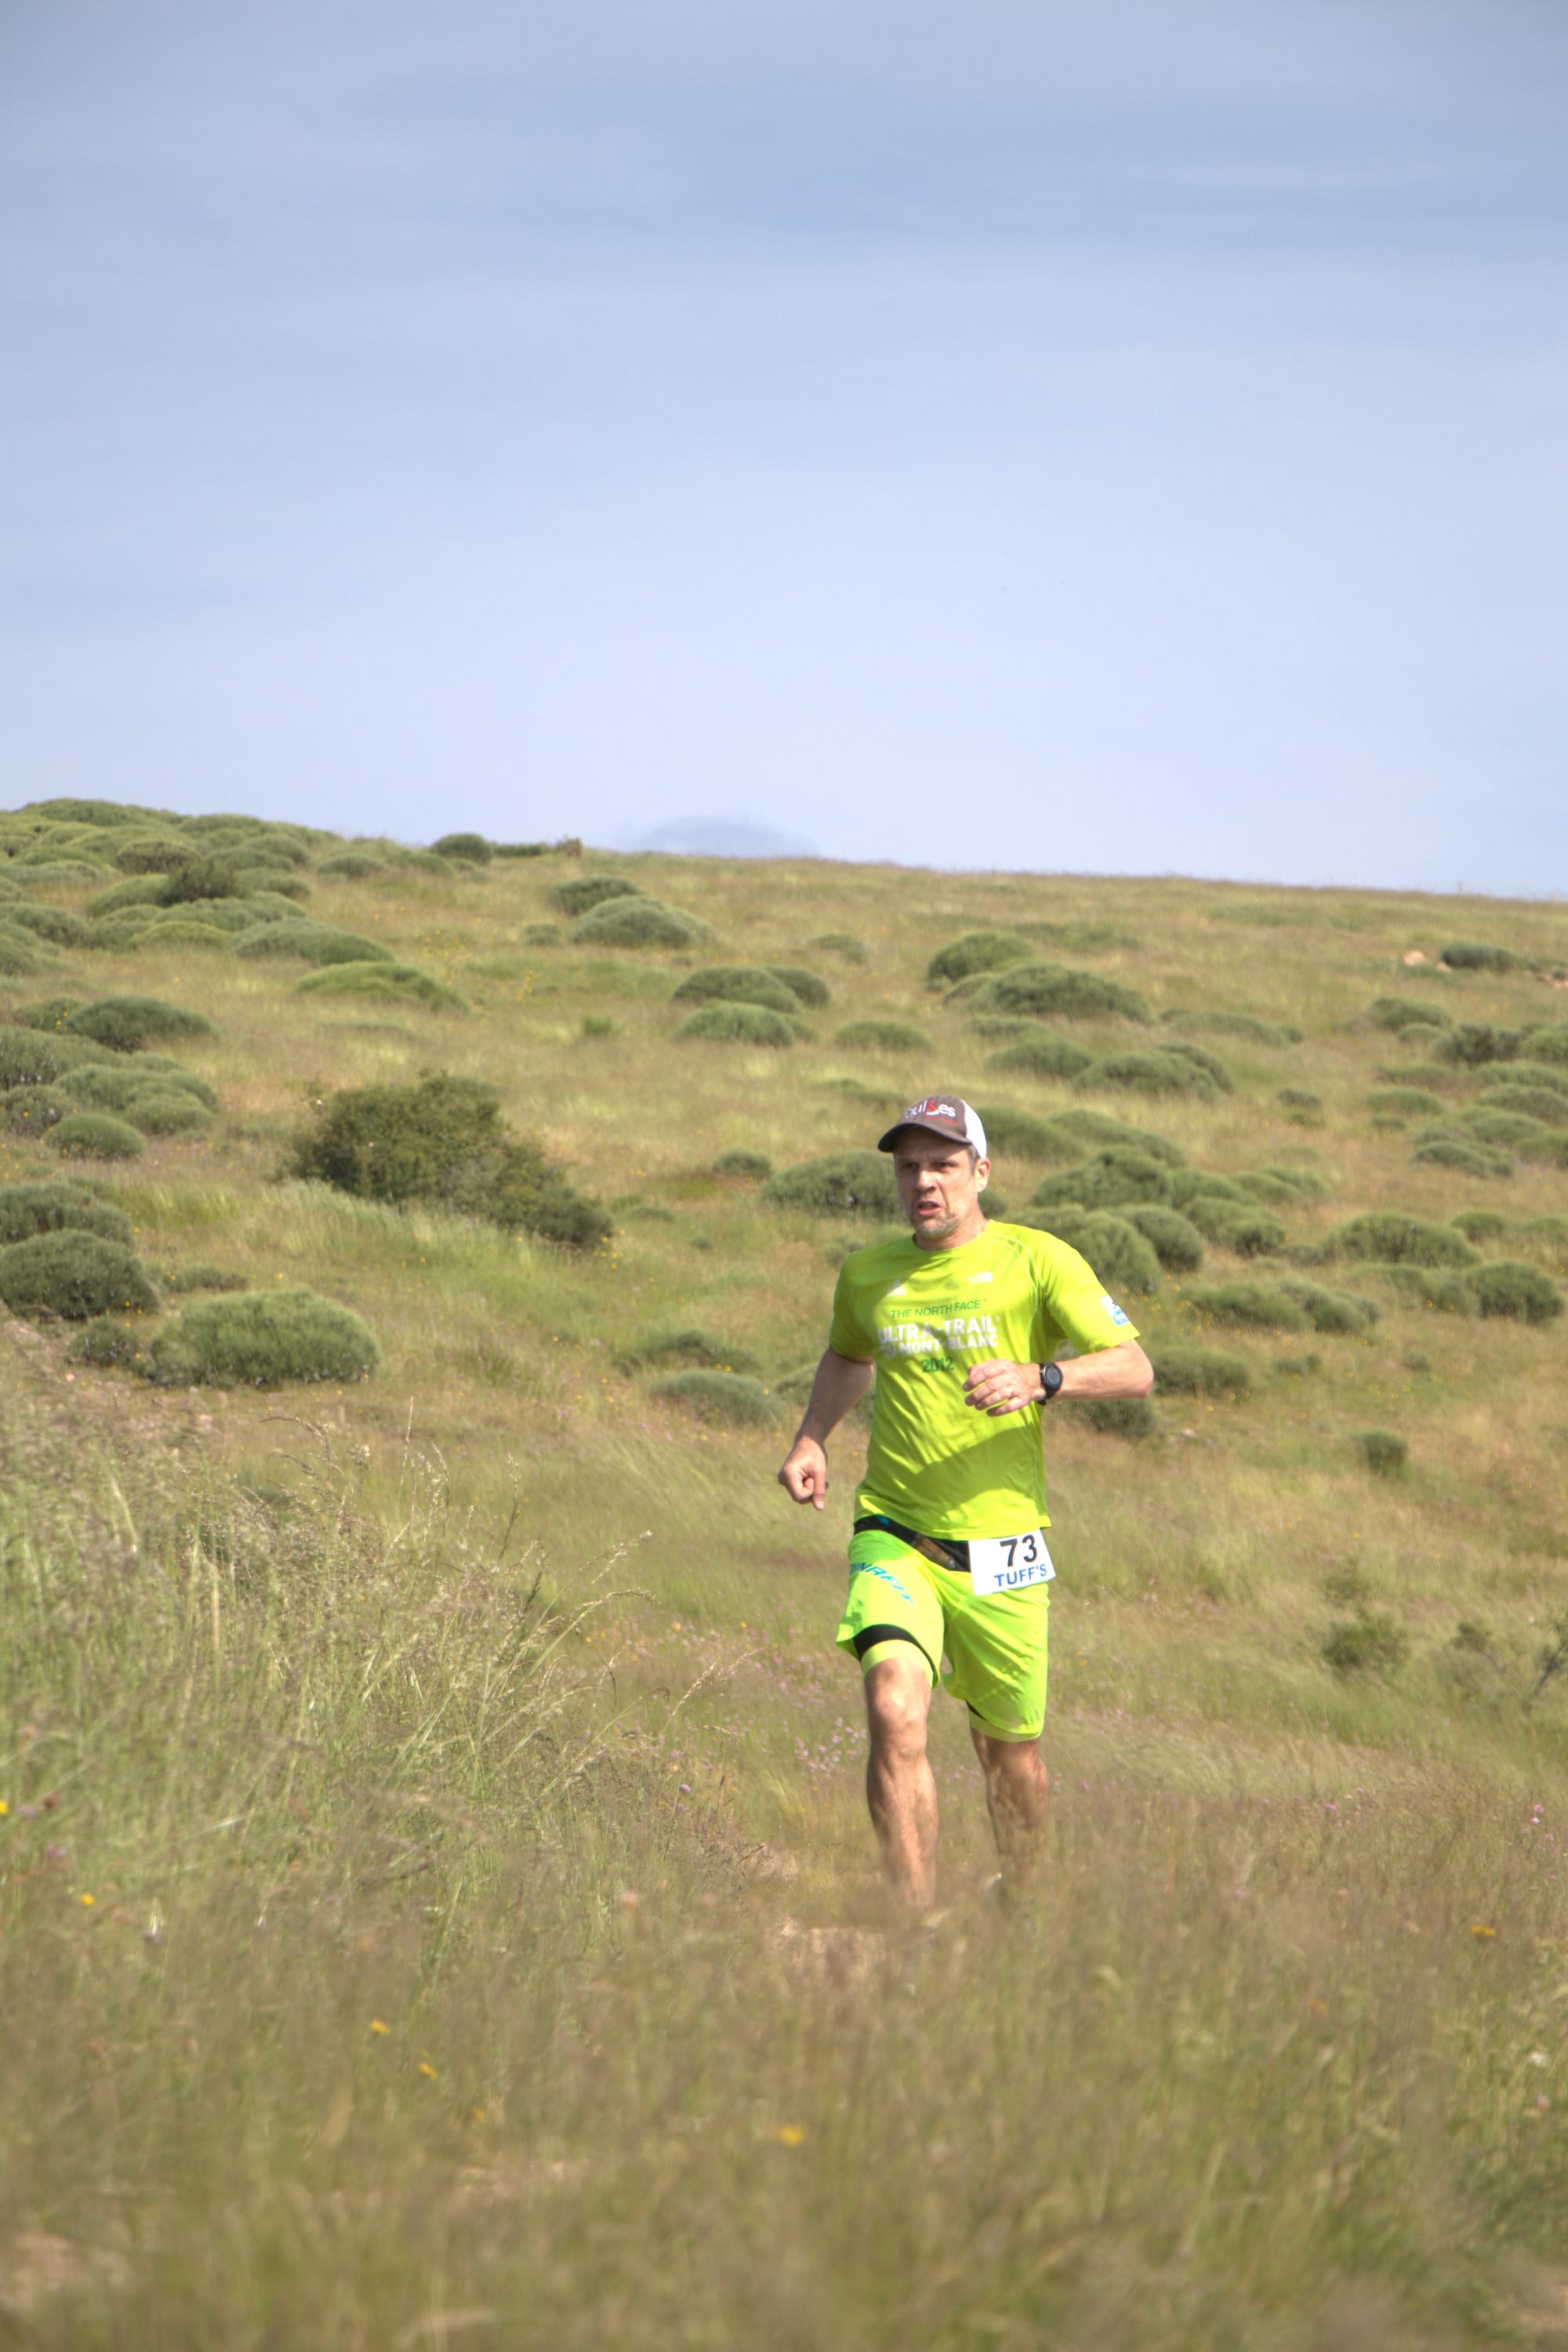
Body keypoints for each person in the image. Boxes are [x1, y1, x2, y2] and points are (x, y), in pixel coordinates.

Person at [776, 1092, 1152, 1911]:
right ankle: (913, 1936)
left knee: (1008, 1757)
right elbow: (847, 1355)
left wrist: (1041, 1378)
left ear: (979, 1172)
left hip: (1002, 1548)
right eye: (908, 1167)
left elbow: (1132, 1367)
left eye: (943, 1166)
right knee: (892, 1710)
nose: (924, 1183)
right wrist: (811, 1438)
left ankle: (1021, 1901)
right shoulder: (869, 1272)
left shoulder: (1036, 1260)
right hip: (893, 1532)